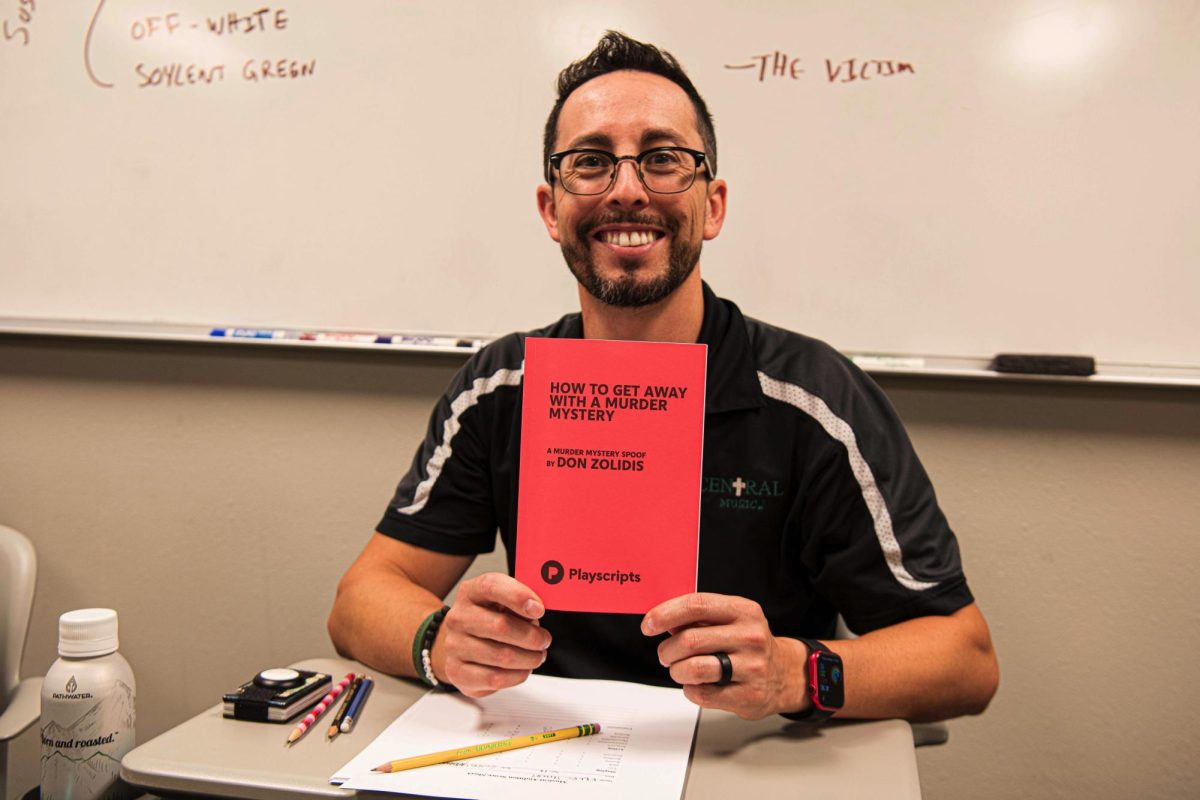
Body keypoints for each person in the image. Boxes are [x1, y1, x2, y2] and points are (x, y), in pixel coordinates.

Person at [328, 31, 998, 723]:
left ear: (712, 205)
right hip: (546, 756)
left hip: (745, 757)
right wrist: (439, 642)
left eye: (662, 160)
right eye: (589, 162)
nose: (626, 191)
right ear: (549, 209)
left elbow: (965, 659)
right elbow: (362, 599)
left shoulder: (815, 400)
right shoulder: (501, 386)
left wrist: (797, 673)